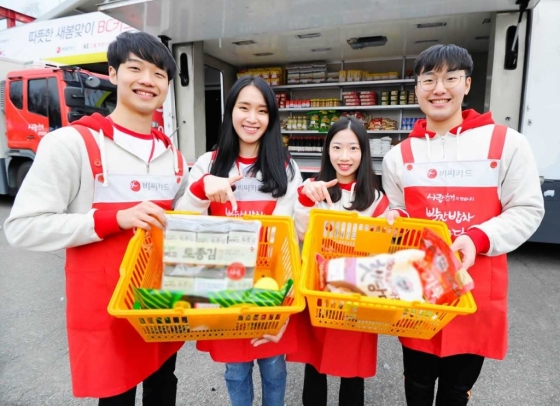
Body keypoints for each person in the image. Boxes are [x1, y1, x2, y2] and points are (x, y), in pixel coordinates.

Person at [4, 31, 187, 405]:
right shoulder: (72, 144)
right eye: (135, 69)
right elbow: (23, 228)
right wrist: (112, 219)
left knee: (163, 385)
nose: (147, 81)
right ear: (114, 73)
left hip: (160, 306)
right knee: (115, 396)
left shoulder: (174, 157)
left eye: (158, 74)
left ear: (168, 85)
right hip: (106, 314)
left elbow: (183, 228)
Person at [381, 44, 545, 406]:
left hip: (475, 293)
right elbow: (394, 213)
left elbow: (528, 209)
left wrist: (478, 237)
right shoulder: (398, 157)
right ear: (417, 88)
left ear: (467, 84)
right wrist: (390, 224)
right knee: (418, 384)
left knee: (457, 390)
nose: (439, 88)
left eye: (450, 78)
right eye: (429, 79)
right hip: (419, 293)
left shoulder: (507, 143)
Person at [175, 75, 302, 406]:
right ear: (230, 111)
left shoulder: (285, 168)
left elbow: (291, 240)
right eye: (244, 107)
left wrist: (286, 306)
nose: (252, 118)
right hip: (221, 292)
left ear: (271, 118)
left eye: (261, 111)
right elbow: (182, 224)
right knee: (235, 371)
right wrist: (200, 191)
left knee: (274, 369)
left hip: (268, 291)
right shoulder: (208, 164)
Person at [287, 116, 389, 406]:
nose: (344, 157)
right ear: (327, 151)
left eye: (353, 149)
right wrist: (306, 200)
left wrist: (396, 219)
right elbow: (300, 235)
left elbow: (383, 247)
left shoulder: (376, 199)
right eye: (337, 148)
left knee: (352, 370)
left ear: (364, 153)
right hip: (318, 291)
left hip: (357, 294)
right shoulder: (313, 189)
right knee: (314, 364)